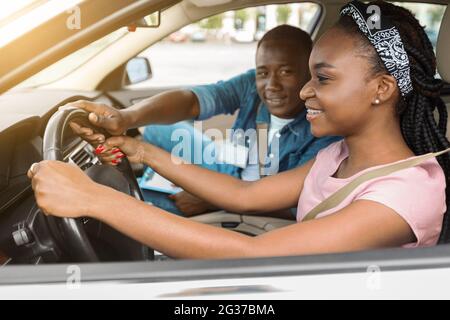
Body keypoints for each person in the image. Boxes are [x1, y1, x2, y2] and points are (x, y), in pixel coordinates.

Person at [28, 0, 450, 259]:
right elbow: (244, 195)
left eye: (322, 79)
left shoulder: (406, 192)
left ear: (381, 89)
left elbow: (253, 252)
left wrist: (93, 198)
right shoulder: (339, 156)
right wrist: (141, 152)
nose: (304, 91)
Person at [68, 25, 340, 217]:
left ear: (309, 74)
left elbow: (292, 204)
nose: (271, 85)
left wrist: (211, 201)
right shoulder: (251, 85)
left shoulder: (324, 130)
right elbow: (192, 101)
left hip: (251, 201)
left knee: (139, 201)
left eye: (286, 71)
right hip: (232, 168)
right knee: (157, 129)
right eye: (263, 72)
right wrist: (127, 117)